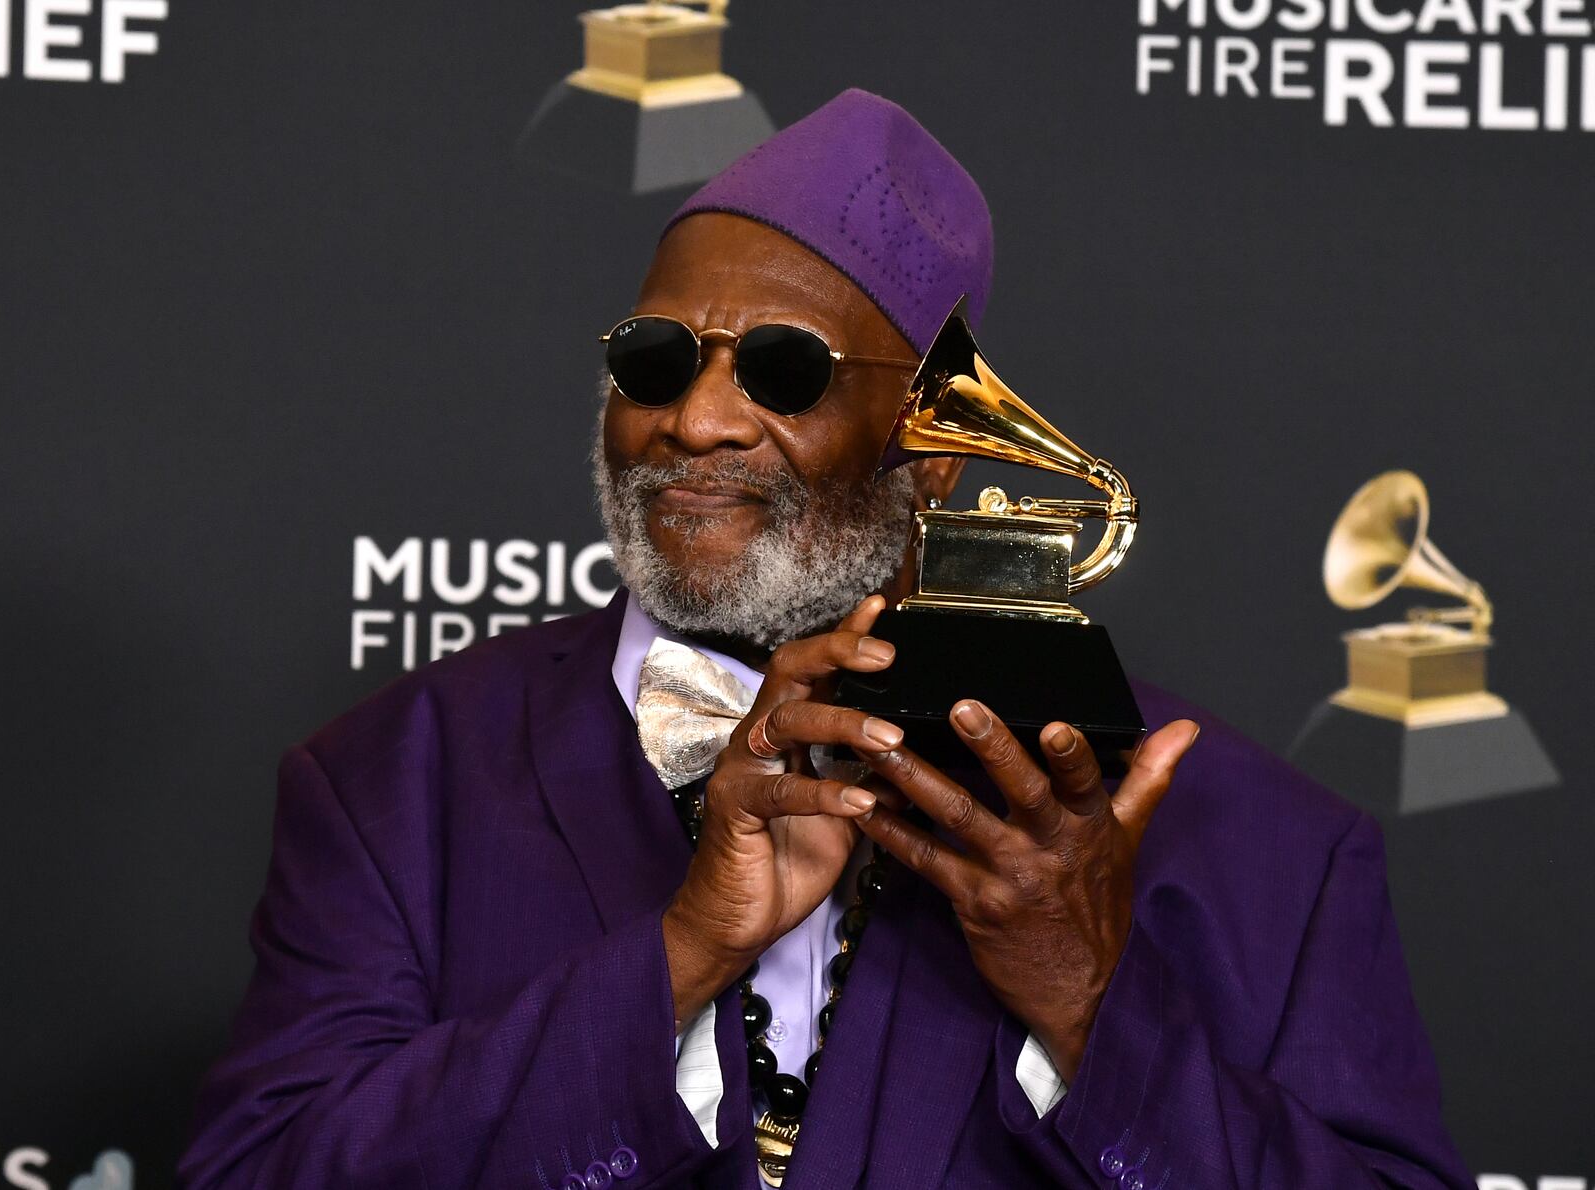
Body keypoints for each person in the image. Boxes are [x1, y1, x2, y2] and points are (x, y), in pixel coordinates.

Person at [178, 89, 1472, 1189]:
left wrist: (1088, 1001)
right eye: (657, 360)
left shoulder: (1267, 845)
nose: (695, 422)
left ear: (939, 451)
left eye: (783, 372)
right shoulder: (391, 784)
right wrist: (681, 953)